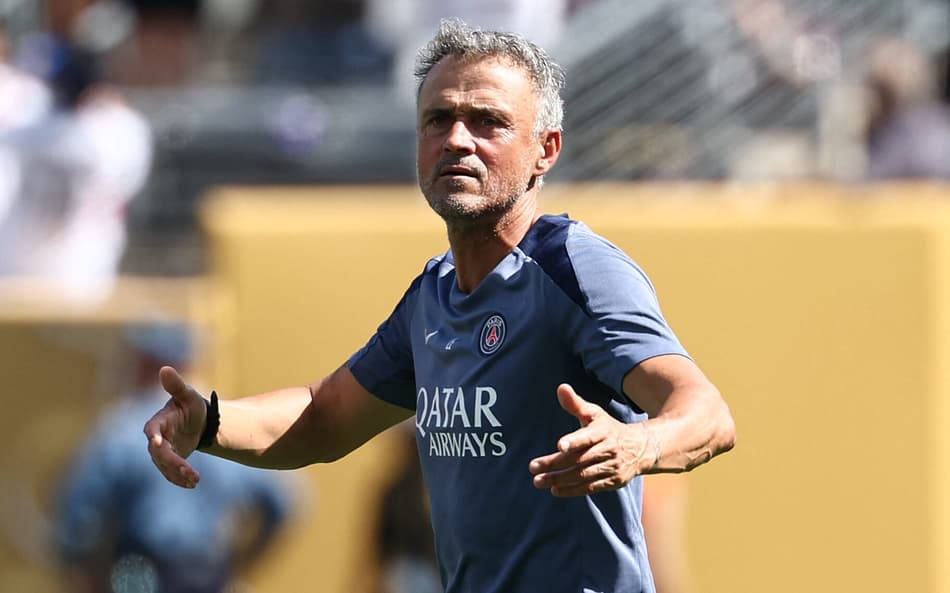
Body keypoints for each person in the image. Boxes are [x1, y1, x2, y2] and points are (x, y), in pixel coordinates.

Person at [145, 19, 736, 593]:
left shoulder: (575, 268)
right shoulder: (435, 294)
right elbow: (325, 418)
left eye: (488, 122)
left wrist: (641, 445)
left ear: (545, 150)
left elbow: (707, 414)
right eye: (439, 119)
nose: (457, 139)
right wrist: (212, 422)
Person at [57, 322, 294, 593]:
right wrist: (244, 563)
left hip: (139, 578)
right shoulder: (226, 422)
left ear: (142, 362)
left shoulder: (121, 428)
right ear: (189, 361)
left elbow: (78, 518)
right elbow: (286, 503)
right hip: (209, 576)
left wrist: (84, 575)